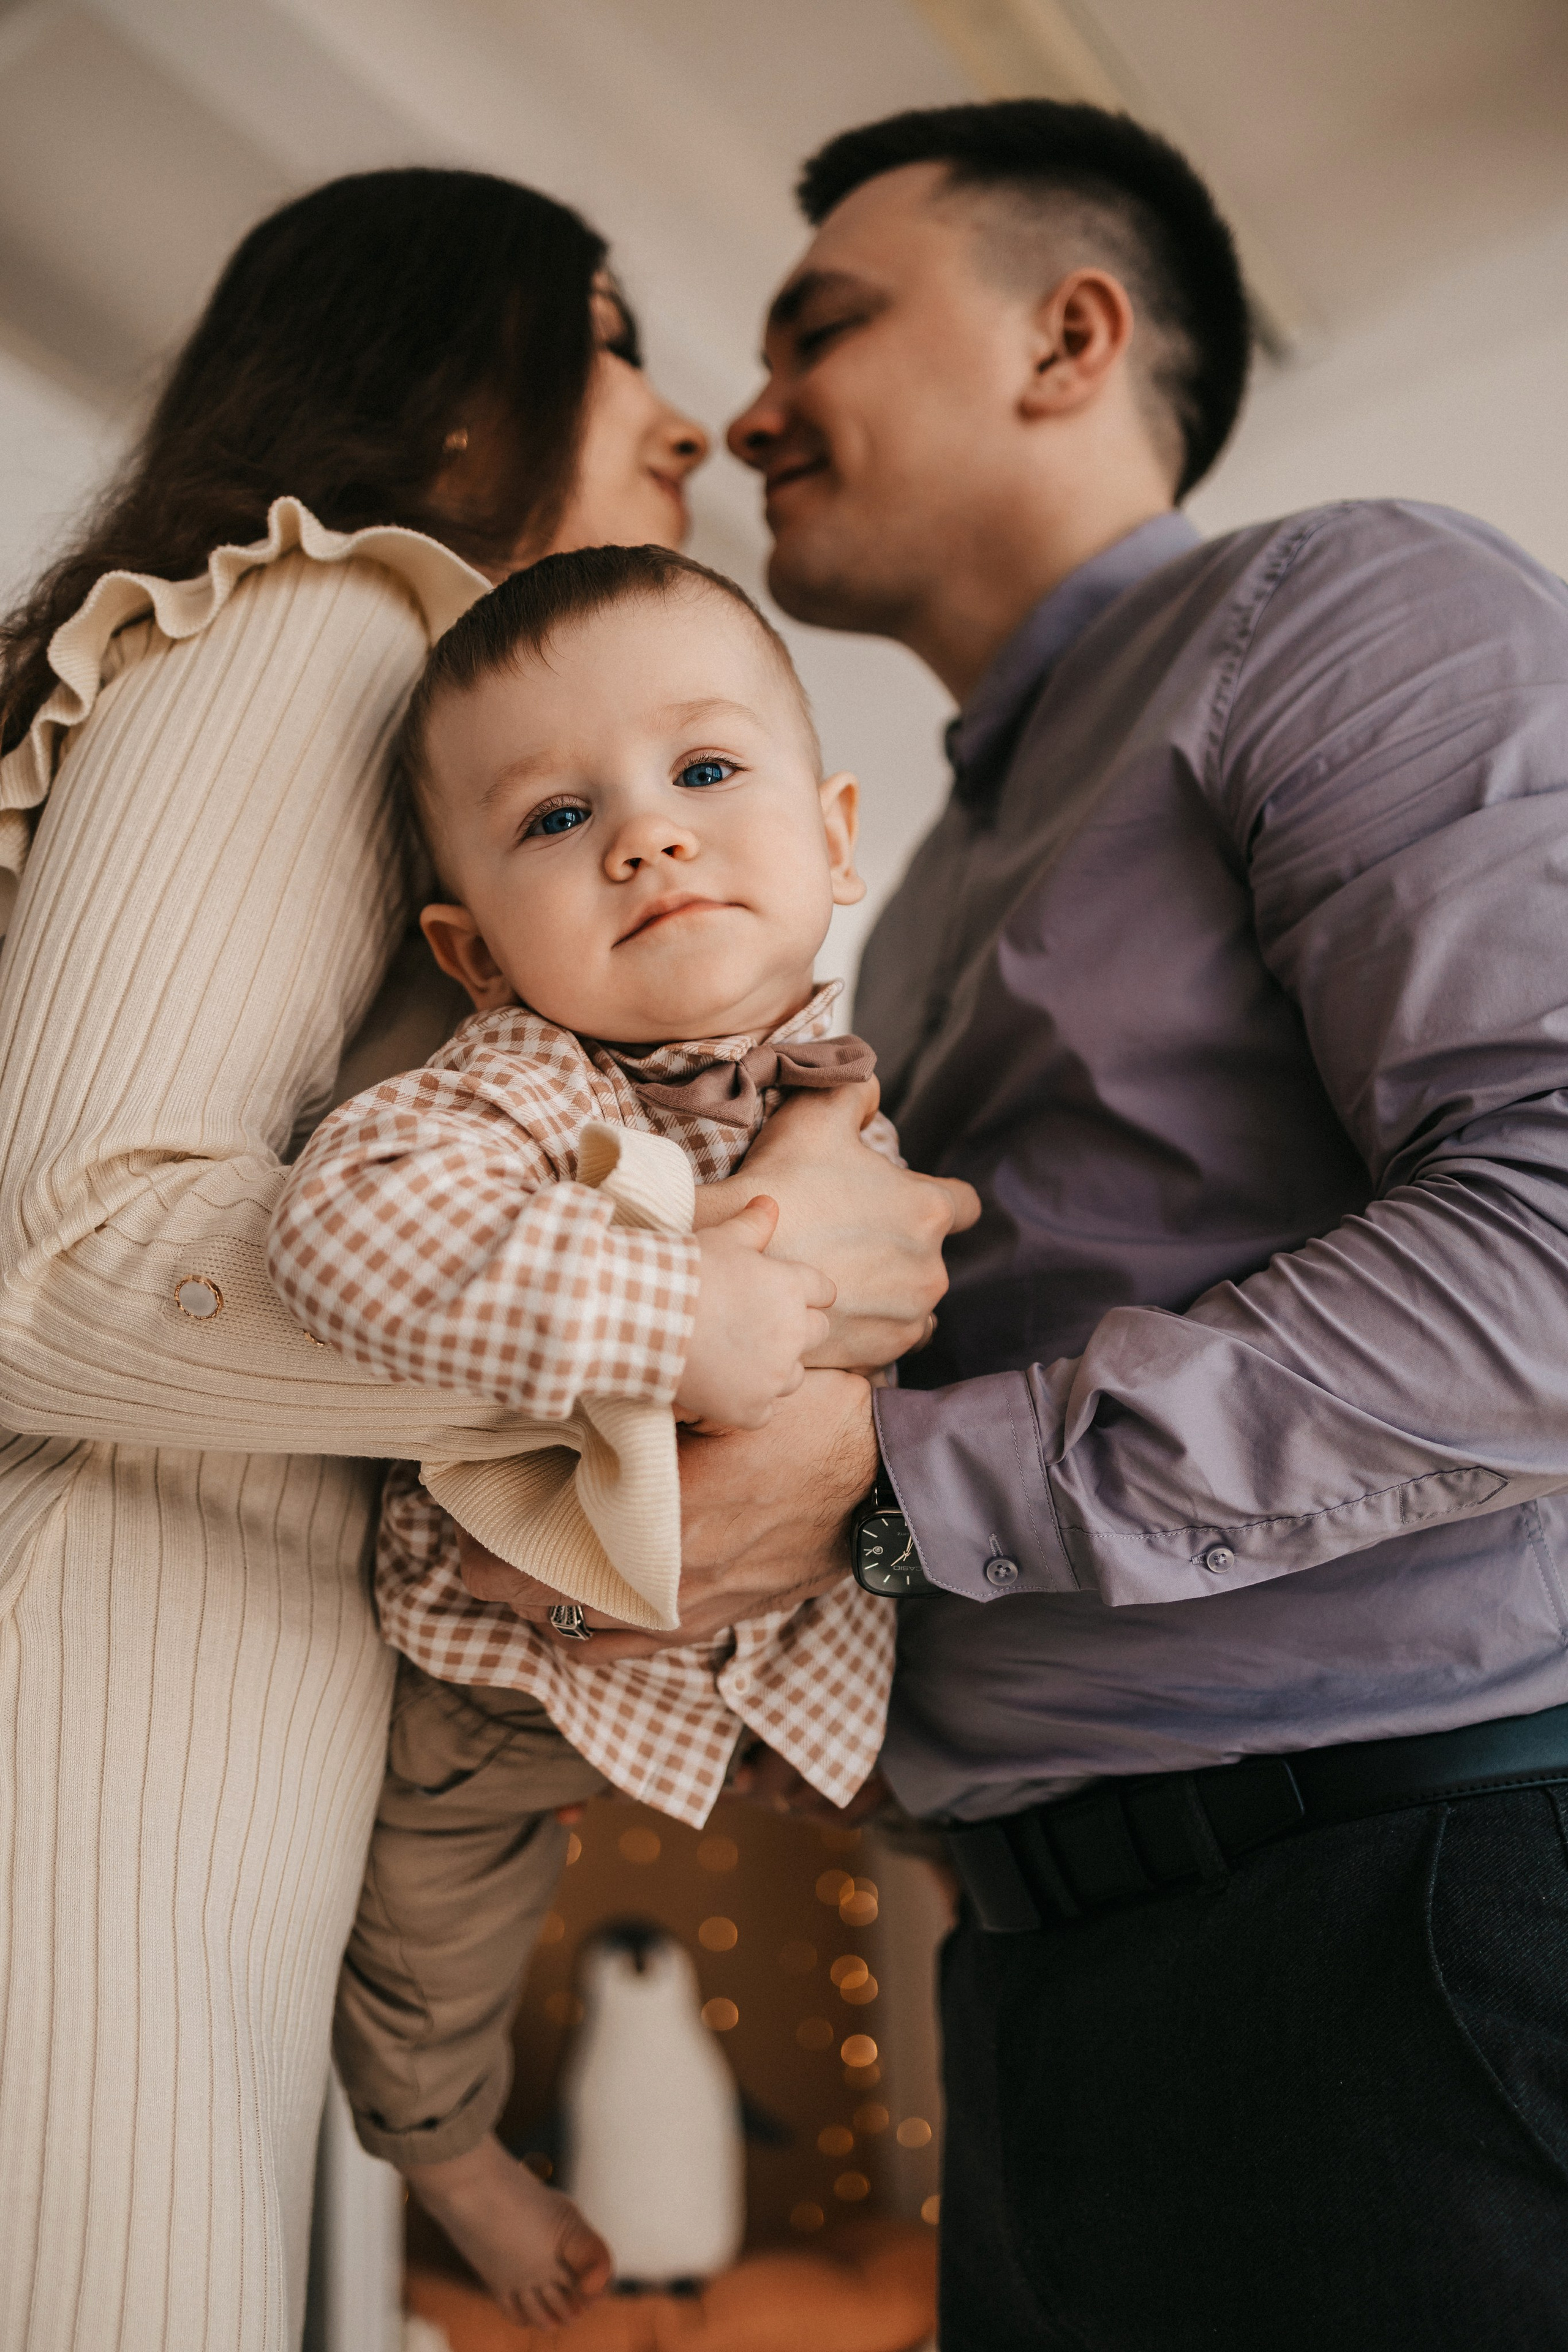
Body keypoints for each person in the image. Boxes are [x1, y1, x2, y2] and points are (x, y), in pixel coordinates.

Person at [449, 97, 1568, 2351]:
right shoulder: (926, 876)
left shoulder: (1350, 611)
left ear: (1073, 336)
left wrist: (886, 1493)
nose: (746, 411)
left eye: (822, 327)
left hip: (1406, 1922)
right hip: (1054, 1987)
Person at [0, 165, 963, 2352]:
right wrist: (742, 1299)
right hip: (99, 1731)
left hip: (214, 1731)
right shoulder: (332, 620)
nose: (689, 415)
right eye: (609, 331)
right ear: (454, 392)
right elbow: (57, 1257)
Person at [267, 543, 908, 2324]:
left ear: (836, 838)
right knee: (429, 1922)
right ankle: (444, 2144)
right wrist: (686, 1318)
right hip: (515, 1675)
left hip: (806, 1663)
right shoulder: (520, 1087)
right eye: (560, 817)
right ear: (474, 950)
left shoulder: (860, 1092)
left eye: (707, 771)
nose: (647, 835)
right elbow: (346, 1237)